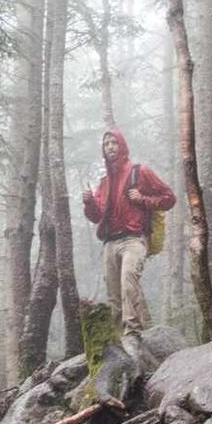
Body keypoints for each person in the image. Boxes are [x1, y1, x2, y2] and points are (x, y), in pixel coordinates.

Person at [81, 127, 176, 344]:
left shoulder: (139, 172)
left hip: (134, 239)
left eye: (114, 143)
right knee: (113, 294)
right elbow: (96, 217)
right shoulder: (104, 182)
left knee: (128, 282)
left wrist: (143, 199)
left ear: (122, 146)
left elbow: (169, 198)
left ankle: (132, 333)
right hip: (109, 243)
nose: (110, 147)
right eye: (106, 144)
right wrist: (88, 202)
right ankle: (118, 339)